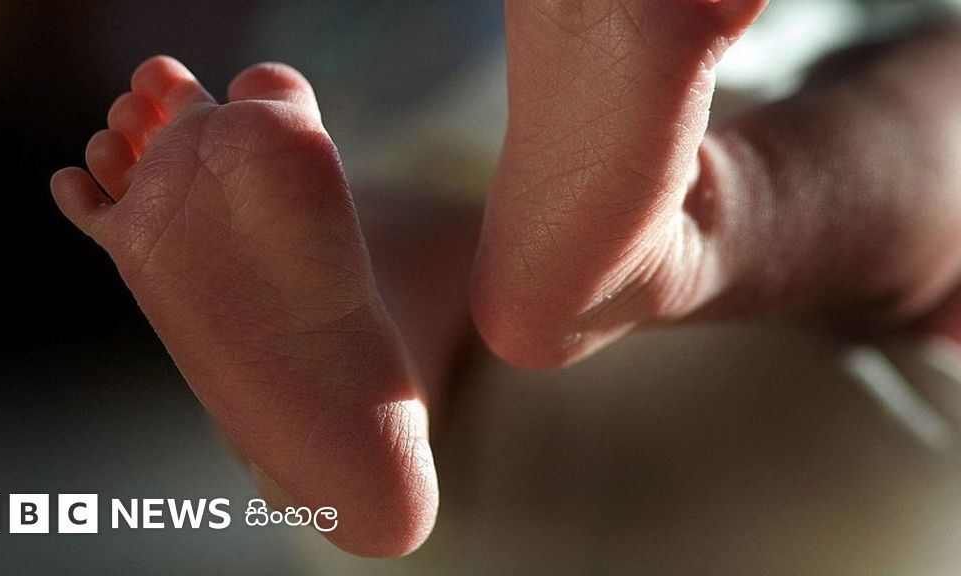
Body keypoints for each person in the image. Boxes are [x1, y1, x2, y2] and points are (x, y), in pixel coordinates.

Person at [50, 0, 961, 560]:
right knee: (933, 105)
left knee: (385, 216)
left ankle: (377, 359)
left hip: (456, 487)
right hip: (845, 402)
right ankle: (689, 222)